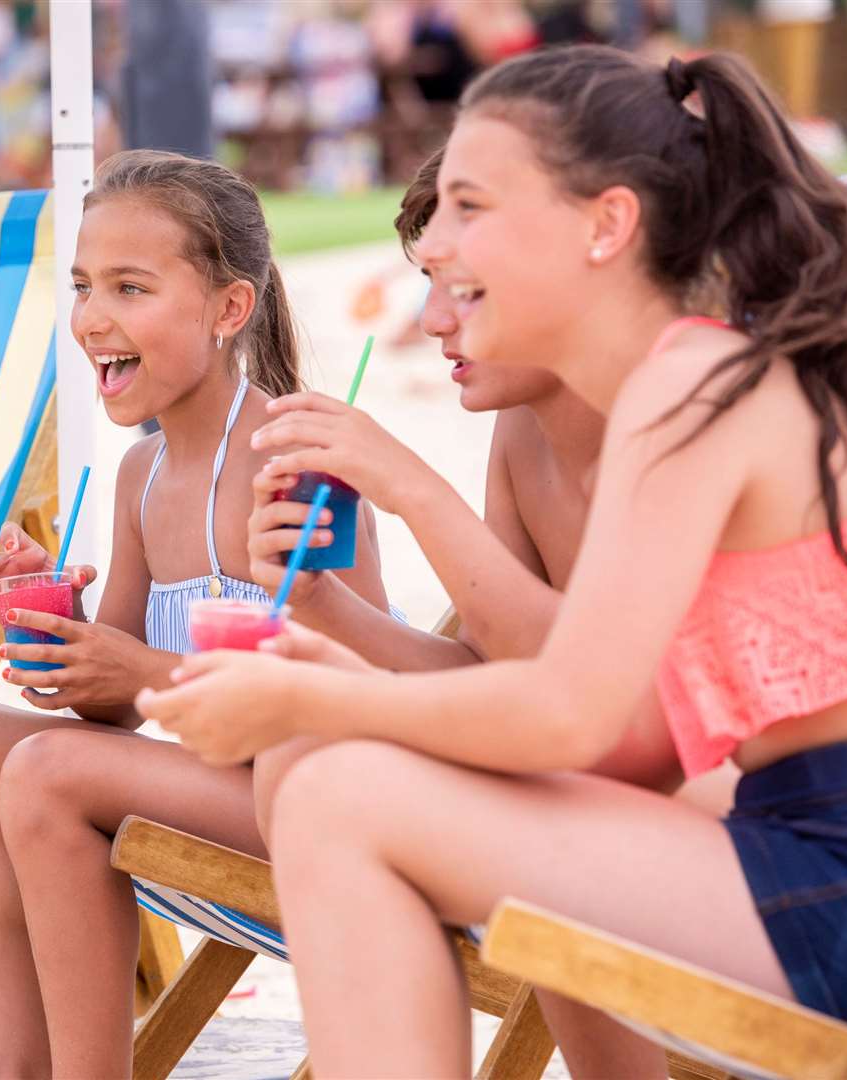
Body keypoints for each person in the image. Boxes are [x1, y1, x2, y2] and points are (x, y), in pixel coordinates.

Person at [140, 45, 847, 1074]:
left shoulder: (689, 382)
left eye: (472, 206)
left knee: (340, 796)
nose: (439, 242)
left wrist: (320, 705)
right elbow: (633, 749)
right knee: (332, 778)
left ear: (605, 226)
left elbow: (573, 716)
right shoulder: (688, 379)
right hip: (795, 845)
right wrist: (334, 666)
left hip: (829, 872)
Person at [0, 148, 388, 1078]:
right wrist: (58, 617)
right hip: (213, 794)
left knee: (48, 772)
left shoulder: (292, 461)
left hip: (322, 805)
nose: (93, 318)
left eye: (131, 288)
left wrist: (140, 674)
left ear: (227, 310)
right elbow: (110, 715)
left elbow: (366, 705)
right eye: (85, 285)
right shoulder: (141, 474)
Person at [247, 146, 686, 1075]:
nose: (432, 323)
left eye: (466, 292)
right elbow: (507, 675)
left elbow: (583, 699)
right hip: (599, 788)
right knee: (306, 757)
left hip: (698, 815)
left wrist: (412, 489)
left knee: (351, 781)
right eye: (429, 288)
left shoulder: (673, 427)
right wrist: (330, 611)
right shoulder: (522, 433)